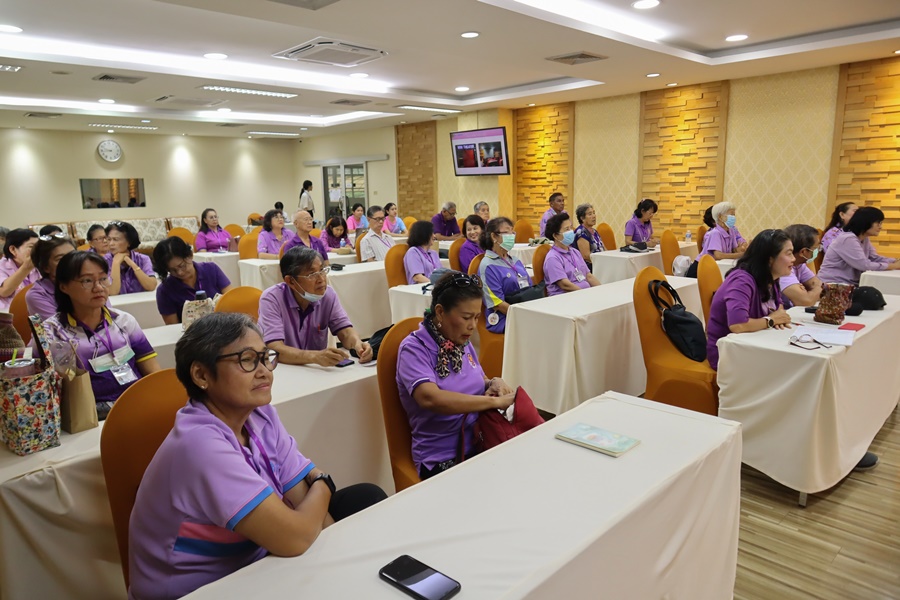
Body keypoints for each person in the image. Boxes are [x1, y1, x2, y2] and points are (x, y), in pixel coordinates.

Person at [128, 312, 386, 600]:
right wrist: (324, 482)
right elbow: (294, 538)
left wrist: (336, 567)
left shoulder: (259, 414)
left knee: (365, 498)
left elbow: (304, 504)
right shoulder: (199, 445)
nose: (265, 371)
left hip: (255, 557)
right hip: (203, 587)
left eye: (265, 358)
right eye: (247, 360)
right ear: (201, 375)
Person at [396, 272, 516, 479]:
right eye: (466, 318)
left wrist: (493, 383)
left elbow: (478, 380)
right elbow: (430, 398)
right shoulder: (414, 349)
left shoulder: (460, 341)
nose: (473, 326)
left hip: (481, 438)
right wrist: (491, 402)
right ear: (440, 312)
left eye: (476, 317)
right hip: (442, 456)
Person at [43, 251, 161, 420]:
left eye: (103, 279)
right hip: (89, 417)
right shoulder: (52, 333)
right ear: (64, 287)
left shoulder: (122, 320)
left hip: (137, 404)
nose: (98, 287)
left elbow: (152, 370)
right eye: (87, 281)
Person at [258, 247, 372, 366]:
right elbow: (274, 349)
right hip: (284, 369)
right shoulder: (272, 299)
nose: (321, 279)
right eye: (311, 274)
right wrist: (314, 356)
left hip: (316, 370)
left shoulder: (328, 295)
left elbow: (346, 332)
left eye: (322, 270)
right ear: (291, 281)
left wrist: (358, 344)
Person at [705, 229, 794, 371]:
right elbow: (738, 325)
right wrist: (771, 320)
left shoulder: (771, 278)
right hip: (729, 354)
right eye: (789, 253)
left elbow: (779, 309)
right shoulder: (741, 280)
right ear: (770, 258)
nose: (793, 259)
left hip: (755, 345)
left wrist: (777, 317)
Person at [154, 237, 233, 324]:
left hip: (222, 325)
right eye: (172, 270)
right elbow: (173, 326)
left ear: (190, 255)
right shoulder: (165, 290)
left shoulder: (211, 269)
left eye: (182, 266)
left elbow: (231, 300)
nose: (180, 273)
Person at [817, 206, 900, 285]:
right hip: (833, 285)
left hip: (849, 284)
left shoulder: (864, 238)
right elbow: (864, 265)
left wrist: (895, 261)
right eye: (878, 223)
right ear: (866, 222)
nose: (880, 227)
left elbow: (874, 258)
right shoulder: (848, 239)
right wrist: (893, 266)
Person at [478, 217, 532, 334]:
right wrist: (523, 315)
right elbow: (497, 304)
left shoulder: (515, 260)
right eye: (507, 232)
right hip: (504, 317)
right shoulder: (488, 266)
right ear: (494, 236)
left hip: (524, 311)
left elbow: (529, 288)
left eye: (512, 232)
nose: (511, 236)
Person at [543, 212, 600, 295]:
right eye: (567, 229)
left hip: (582, 294)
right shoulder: (553, 258)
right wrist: (585, 295)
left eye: (571, 227)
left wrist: (601, 290)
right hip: (565, 297)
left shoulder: (575, 252)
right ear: (555, 235)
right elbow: (565, 285)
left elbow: (588, 276)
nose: (571, 231)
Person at [686, 201, 748, 277]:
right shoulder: (715, 233)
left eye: (734, 215)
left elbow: (734, 250)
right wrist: (740, 255)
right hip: (700, 269)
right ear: (720, 217)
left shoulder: (731, 231)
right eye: (731, 215)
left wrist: (744, 248)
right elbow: (718, 255)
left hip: (715, 267)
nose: (733, 218)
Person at [25, 234, 76, 320]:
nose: (72, 262)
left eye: (74, 255)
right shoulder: (37, 295)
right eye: (60, 259)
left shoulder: (88, 282)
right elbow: (61, 327)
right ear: (46, 267)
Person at [104, 221, 157, 295]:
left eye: (116, 239)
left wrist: (132, 264)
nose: (111, 243)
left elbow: (151, 286)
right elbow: (113, 292)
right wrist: (116, 263)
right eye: (109, 239)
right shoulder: (104, 261)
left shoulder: (143, 259)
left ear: (129, 242)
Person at [779, 224, 823, 308]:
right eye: (816, 248)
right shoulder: (782, 268)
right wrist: (816, 289)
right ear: (803, 252)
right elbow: (806, 301)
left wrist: (811, 292)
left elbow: (818, 285)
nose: (818, 250)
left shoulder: (799, 264)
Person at [0, 228, 40, 311]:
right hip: (9, 313)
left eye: (38, 247)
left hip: (35, 312)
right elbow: (4, 291)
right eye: (31, 247)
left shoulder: (39, 265)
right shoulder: (2, 265)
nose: (37, 251)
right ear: (13, 249)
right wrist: (26, 268)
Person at [572, 203, 604, 268]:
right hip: (589, 267)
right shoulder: (581, 232)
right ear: (582, 218)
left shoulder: (594, 231)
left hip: (600, 264)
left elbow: (604, 249)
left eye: (594, 213)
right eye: (590, 214)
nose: (594, 216)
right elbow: (586, 256)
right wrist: (603, 264)